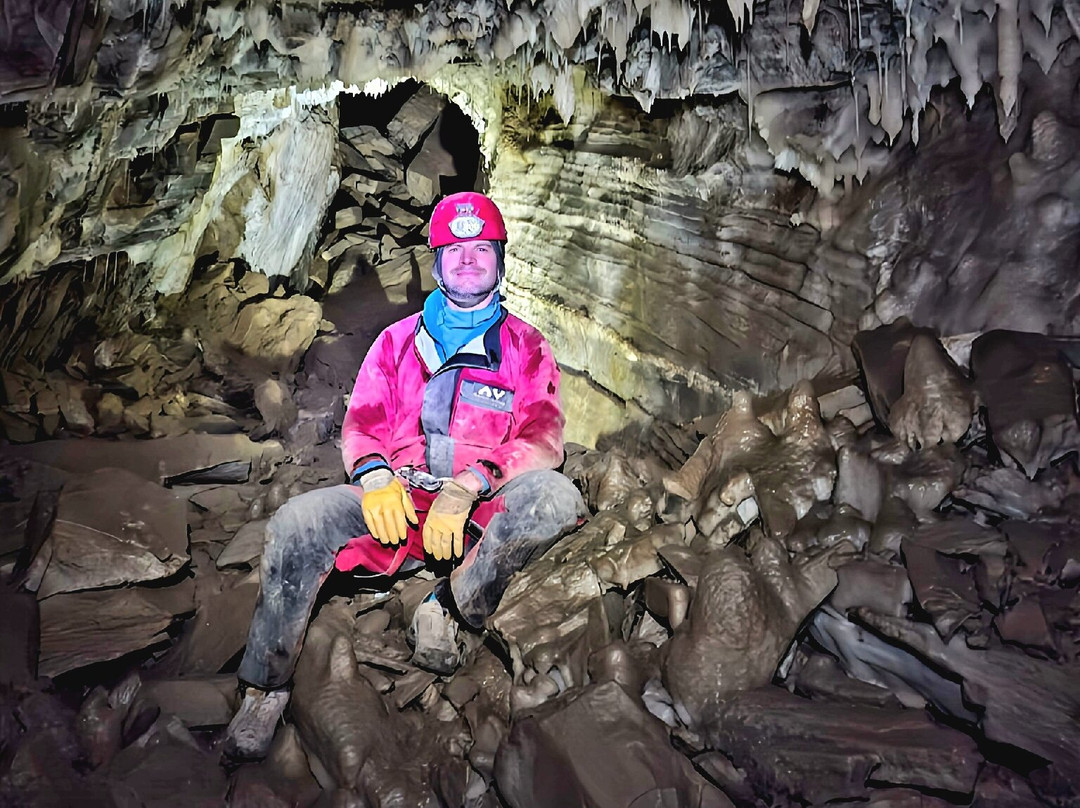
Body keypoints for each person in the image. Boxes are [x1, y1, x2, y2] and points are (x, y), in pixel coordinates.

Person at [222, 191, 585, 761]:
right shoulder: (394, 344)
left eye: (482, 250)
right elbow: (363, 423)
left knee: (556, 499)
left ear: (500, 260)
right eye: (455, 250)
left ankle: (449, 601)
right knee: (297, 523)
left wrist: (470, 485)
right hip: (400, 502)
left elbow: (542, 439)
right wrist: (374, 477)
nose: (468, 260)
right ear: (437, 263)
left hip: (478, 514)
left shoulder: (526, 347)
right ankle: (265, 686)